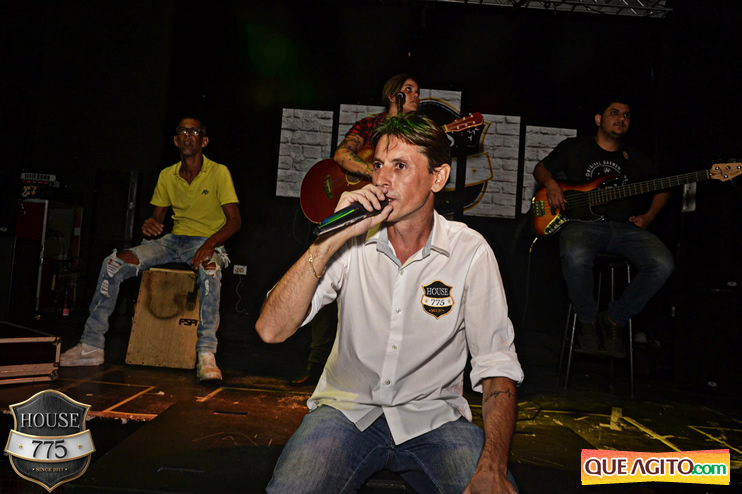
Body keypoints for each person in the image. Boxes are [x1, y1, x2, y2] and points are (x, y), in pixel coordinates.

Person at [257, 113, 522, 493]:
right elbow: (270, 330)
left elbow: (497, 367)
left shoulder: (470, 251)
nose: (382, 179)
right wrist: (329, 240)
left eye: (400, 166)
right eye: (379, 164)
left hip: (433, 419)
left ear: (438, 177)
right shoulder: (351, 241)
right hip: (347, 412)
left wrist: (494, 466)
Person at [60, 117, 241, 381]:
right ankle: (91, 345)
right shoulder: (167, 175)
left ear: (204, 141)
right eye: (182, 131)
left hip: (205, 241)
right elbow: (157, 219)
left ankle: (206, 354)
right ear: (176, 140)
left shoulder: (219, 172)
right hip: (172, 240)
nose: (188, 135)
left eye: (194, 132)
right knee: (112, 264)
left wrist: (209, 244)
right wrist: (150, 224)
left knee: (210, 271)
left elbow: (234, 221)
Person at [290, 73, 421, 387]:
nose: (416, 95)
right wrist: (373, 172)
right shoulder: (369, 125)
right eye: (409, 90)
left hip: (391, 219)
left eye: (418, 91)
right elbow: (342, 155)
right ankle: (315, 364)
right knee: (326, 280)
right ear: (392, 95)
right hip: (359, 211)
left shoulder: (419, 131)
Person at [532, 100, 674, 357]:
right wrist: (551, 185)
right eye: (615, 113)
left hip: (624, 228)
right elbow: (540, 169)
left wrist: (648, 217)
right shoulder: (575, 147)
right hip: (582, 227)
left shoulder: (634, 157)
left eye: (627, 115)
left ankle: (614, 319)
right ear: (599, 119)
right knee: (575, 256)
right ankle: (587, 321)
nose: (622, 118)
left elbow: (663, 187)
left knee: (663, 264)